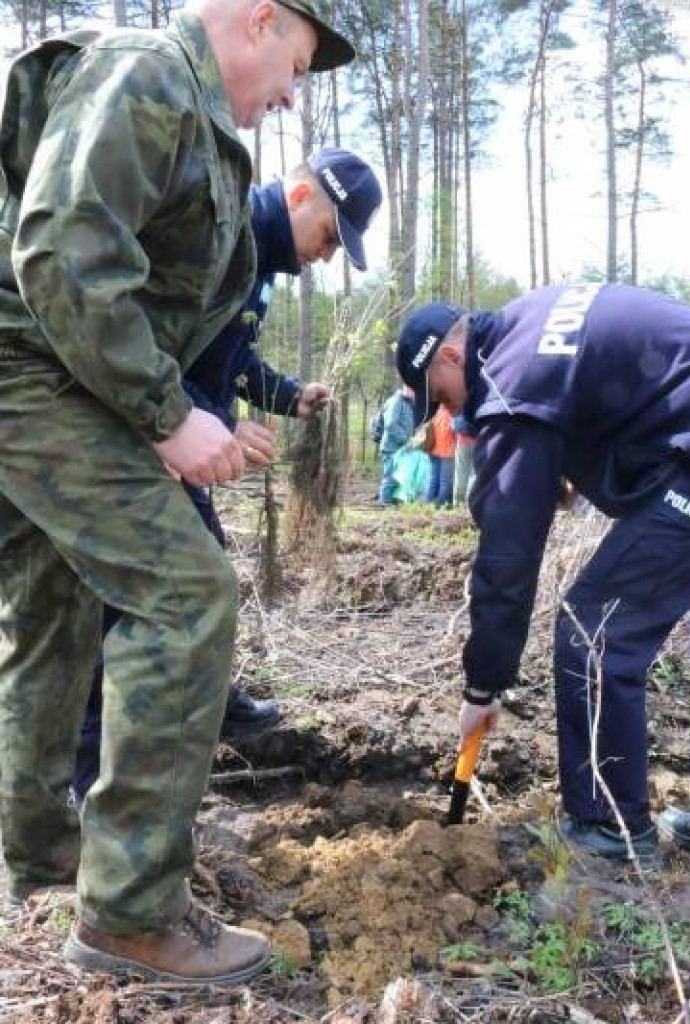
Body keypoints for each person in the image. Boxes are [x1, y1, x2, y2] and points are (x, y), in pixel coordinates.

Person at [0, 0, 355, 985]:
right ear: (257, 20)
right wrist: (165, 416)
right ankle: (132, 912)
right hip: (31, 374)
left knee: (52, 606)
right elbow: (62, 254)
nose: (292, 91)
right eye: (298, 60)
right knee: (188, 594)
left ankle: (39, 845)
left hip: (51, 377)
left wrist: (173, 413)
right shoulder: (149, 76)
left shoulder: (185, 110)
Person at [396, 286, 690, 866]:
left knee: (596, 632)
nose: (448, 412)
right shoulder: (531, 324)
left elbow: (507, 560)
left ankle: (608, 831)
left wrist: (483, 687)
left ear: (449, 355)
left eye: (439, 397)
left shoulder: (506, 382)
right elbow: (626, 390)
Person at [72, 146, 382, 804]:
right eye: (330, 236)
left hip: (174, 439)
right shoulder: (219, 236)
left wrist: (288, 395)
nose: (327, 256)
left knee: (205, 571)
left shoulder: (259, 264)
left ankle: (206, 700)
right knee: (128, 598)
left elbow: (230, 354)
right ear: (300, 198)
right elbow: (147, 342)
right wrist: (209, 421)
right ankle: (86, 770)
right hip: (131, 440)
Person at [377, 385, 415, 504]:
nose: (415, 393)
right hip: (391, 446)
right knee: (390, 475)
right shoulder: (397, 401)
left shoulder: (407, 402)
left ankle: (391, 499)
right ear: (407, 388)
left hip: (400, 447)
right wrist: (405, 438)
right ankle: (384, 501)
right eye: (413, 390)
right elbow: (390, 424)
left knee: (398, 474)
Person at [426, 403, 456, 507]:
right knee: (445, 482)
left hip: (434, 451)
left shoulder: (437, 413)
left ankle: (428, 501)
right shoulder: (450, 415)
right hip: (447, 452)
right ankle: (439, 504)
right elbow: (452, 432)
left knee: (434, 479)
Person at [452, 411, 478, 504]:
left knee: (460, 472)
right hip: (477, 440)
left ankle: (457, 501)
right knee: (474, 472)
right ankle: (468, 502)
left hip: (461, 438)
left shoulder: (461, 399)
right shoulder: (480, 399)